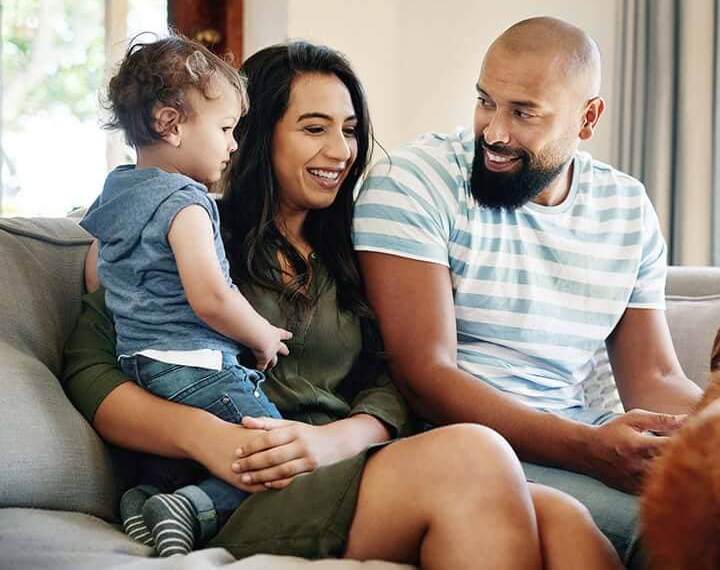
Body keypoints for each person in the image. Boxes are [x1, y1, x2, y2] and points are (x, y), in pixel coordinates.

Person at [64, 40, 623, 570]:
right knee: (475, 455)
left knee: (566, 521)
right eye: (314, 128)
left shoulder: (353, 247)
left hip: (341, 463)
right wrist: (209, 439)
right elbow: (92, 370)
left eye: (350, 130)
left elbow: (392, 377)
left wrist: (338, 438)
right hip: (236, 487)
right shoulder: (186, 229)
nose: (341, 151)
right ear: (256, 133)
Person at [353, 16, 703, 569]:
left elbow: (653, 378)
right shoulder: (413, 181)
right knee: (676, 531)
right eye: (485, 101)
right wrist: (587, 451)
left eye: (523, 112)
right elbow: (425, 379)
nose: (493, 131)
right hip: (465, 449)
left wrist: (705, 427)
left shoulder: (626, 208)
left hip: (580, 439)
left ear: (588, 119)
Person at [79, 34, 293, 557]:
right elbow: (211, 298)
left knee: (195, 460)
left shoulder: (120, 192)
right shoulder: (186, 203)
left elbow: (96, 279)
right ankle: (194, 506)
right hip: (196, 363)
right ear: (170, 124)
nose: (234, 145)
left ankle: (147, 498)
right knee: (281, 451)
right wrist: (261, 334)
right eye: (224, 129)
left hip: (137, 364)